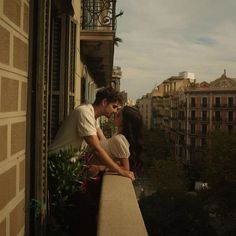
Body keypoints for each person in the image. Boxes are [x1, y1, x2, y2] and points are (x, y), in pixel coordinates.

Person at [48, 87, 135, 180]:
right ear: (104, 102)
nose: (115, 111)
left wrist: (106, 166)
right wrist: (120, 170)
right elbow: (97, 149)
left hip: (67, 163)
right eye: (114, 106)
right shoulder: (85, 113)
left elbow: (103, 143)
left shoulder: (93, 116)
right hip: (56, 163)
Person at [88, 105, 143, 176]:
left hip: (94, 176)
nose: (115, 113)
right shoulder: (116, 135)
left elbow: (126, 168)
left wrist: (100, 168)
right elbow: (103, 139)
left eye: (119, 115)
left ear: (125, 122)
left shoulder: (119, 139)